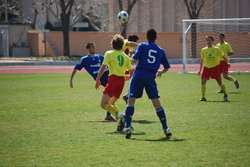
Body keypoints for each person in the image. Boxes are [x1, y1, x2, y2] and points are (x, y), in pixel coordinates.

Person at [124, 29, 172, 139]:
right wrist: (160, 72)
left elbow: (134, 60)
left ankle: (127, 127)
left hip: (139, 74)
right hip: (150, 76)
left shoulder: (142, 46)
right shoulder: (160, 50)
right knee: (156, 103)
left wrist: (130, 56)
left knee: (131, 101)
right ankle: (165, 128)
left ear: (146, 37)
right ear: (156, 37)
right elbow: (166, 67)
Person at [95, 34, 133, 131]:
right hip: (121, 82)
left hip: (113, 80)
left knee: (103, 104)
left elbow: (103, 68)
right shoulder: (126, 56)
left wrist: (97, 79)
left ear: (112, 44)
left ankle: (121, 116)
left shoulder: (109, 53)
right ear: (122, 45)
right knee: (111, 104)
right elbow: (131, 71)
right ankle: (121, 121)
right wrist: (128, 77)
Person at [69, 42, 115, 121]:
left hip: (106, 74)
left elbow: (108, 62)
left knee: (112, 94)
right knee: (111, 94)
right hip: (100, 77)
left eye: (94, 47)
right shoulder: (85, 59)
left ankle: (109, 115)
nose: (94, 49)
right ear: (88, 49)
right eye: (92, 48)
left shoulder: (100, 57)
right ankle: (109, 115)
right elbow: (76, 68)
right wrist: (71, 80)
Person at [198, 36, 228, 102]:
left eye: (210, 40)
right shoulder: (203, 50)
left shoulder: (216, 49)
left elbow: (223, 56)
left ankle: (225, 94)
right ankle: (203, 97)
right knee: (203, 81)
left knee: (219, 82)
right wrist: (200, 70)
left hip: (215, 68)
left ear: (212, 41)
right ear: (206, 41)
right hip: (206, 68)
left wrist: (227, 62)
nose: (209, 41)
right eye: (207, 40)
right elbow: (202, 60)